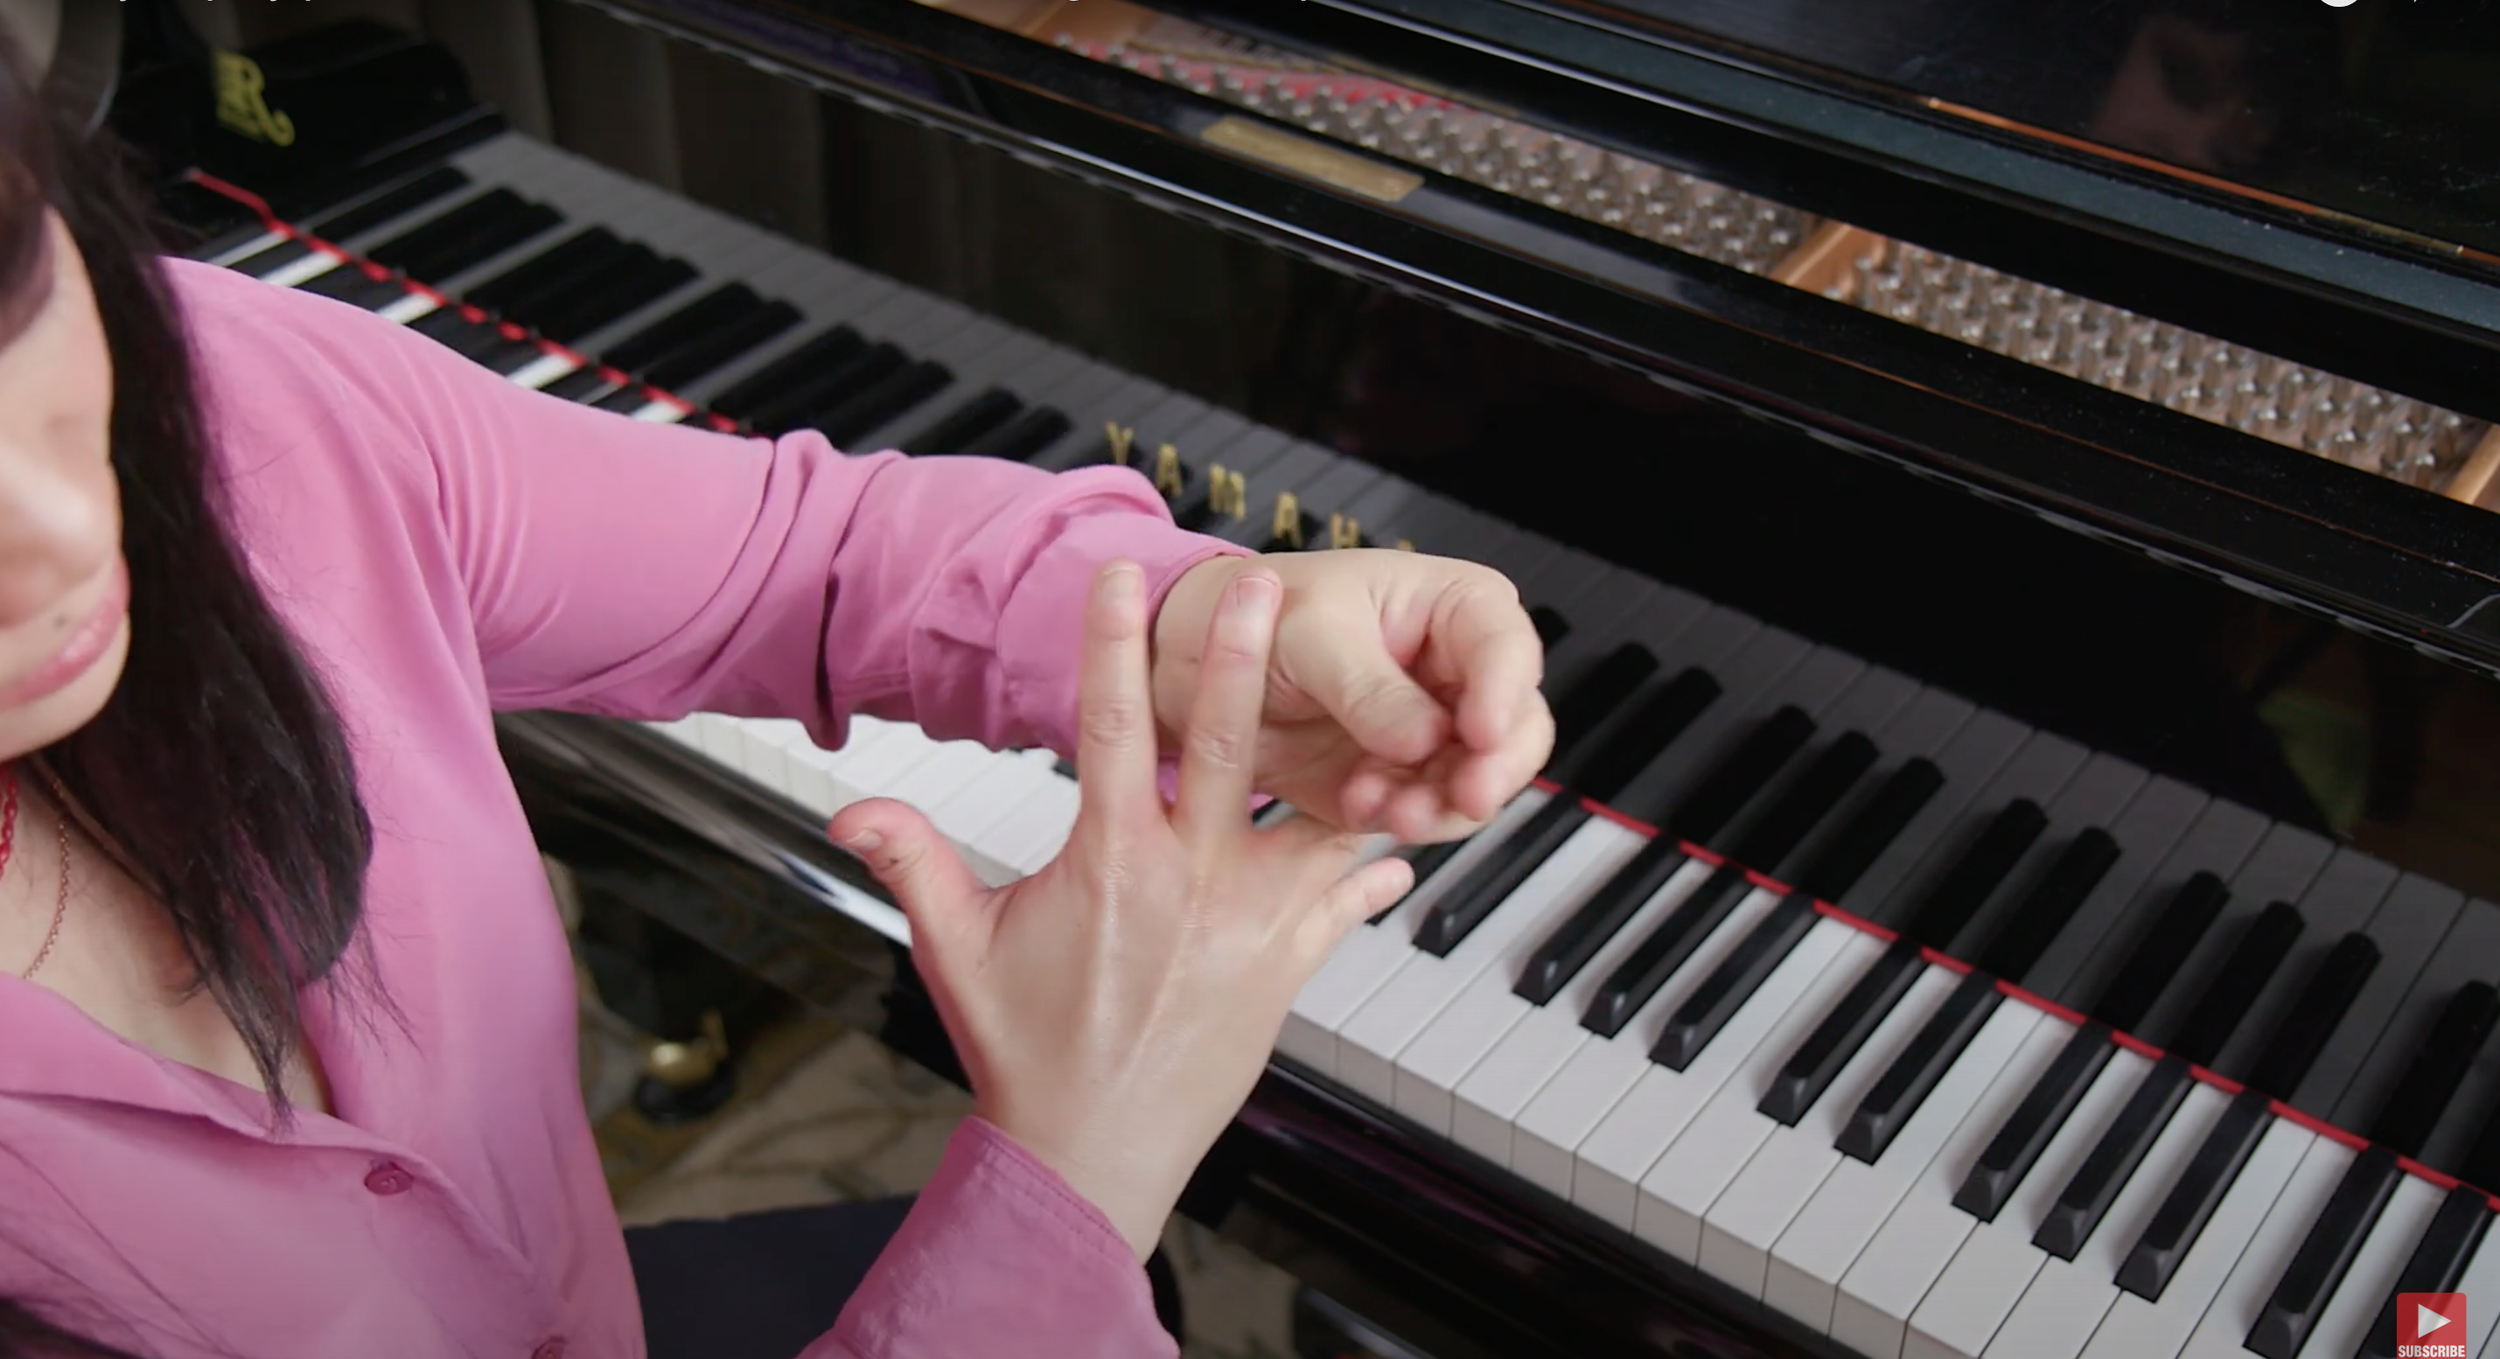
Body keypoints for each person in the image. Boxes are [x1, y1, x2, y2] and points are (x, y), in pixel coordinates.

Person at [0, 24, 1553, 1359]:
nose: (76, 526)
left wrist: (1194, 622)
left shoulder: (236, 392)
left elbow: (795, 557)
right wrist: (1080, 1166)